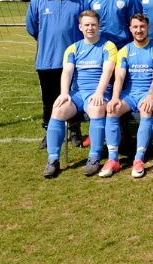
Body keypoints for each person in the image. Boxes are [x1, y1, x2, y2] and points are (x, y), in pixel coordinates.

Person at [42, 10, 118, 178]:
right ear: (80, 27)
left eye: (93, 25)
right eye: (86, 25)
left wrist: (99, 92)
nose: (90, 28)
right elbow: (67, 72)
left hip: (99, 92)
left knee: (96, 109)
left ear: (99, 26)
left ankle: (94, 157)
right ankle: (53, 160)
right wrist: (64, 93)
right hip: (77, 94)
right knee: (58, 110)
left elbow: (107, 71)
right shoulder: (73, 48)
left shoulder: (108, 46)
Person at [26, 0, 87, 150]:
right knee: (50, 99)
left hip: (75, 61)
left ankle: (75, 131)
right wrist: (48, 40)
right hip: (47, 61)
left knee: (73, 97)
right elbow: (32, 27)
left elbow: (87, 25)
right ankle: (49, 132)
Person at [106, 14, 153, 178]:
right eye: (135, 27)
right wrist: (115, 97)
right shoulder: (124, 50)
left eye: (142, 27)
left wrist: (150, 96)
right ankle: (113, 160)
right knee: (112, 110)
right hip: (129, 95)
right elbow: (119, 77)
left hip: (147, 94)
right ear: (130, 29)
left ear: (148, 28)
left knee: (146, 110)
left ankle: (139, 159)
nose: (139, 30)